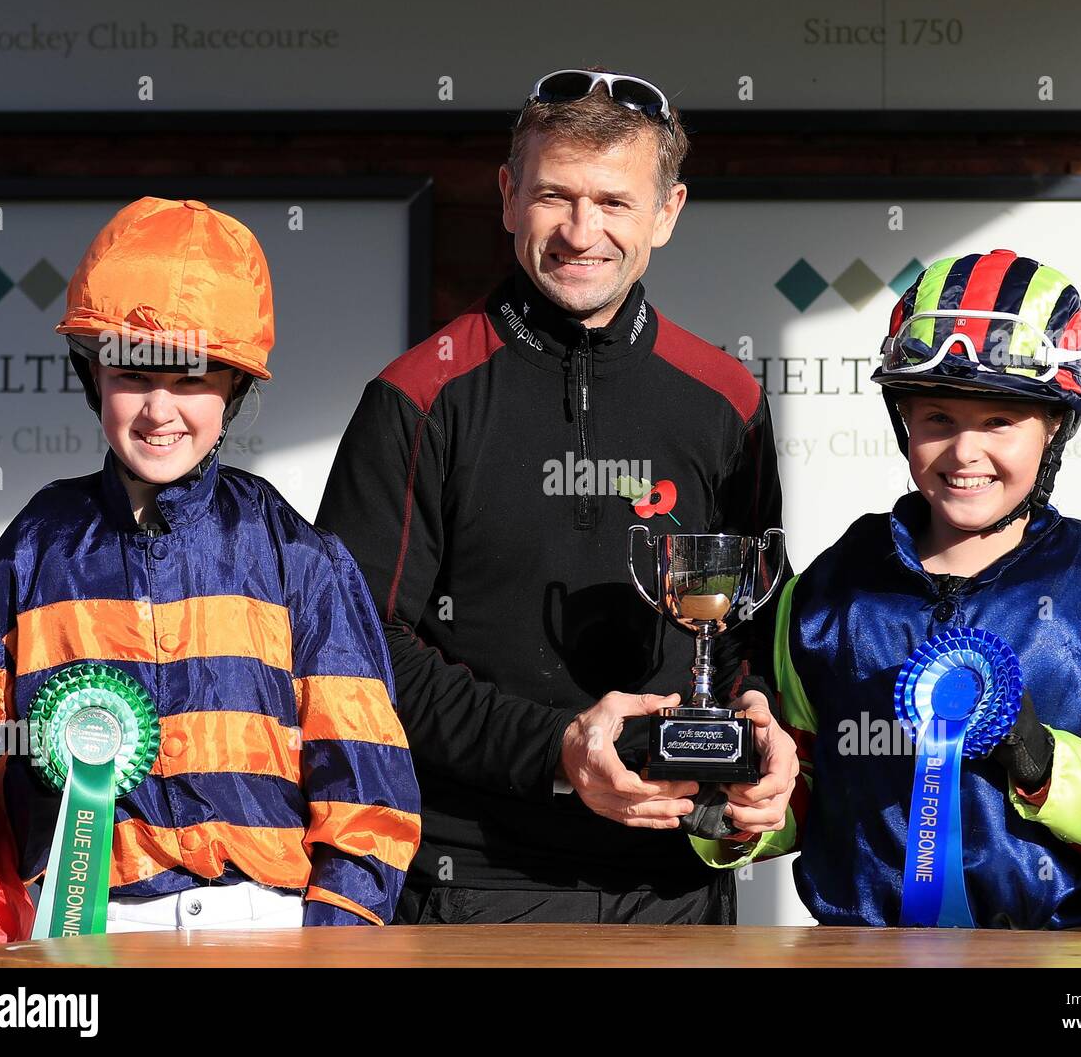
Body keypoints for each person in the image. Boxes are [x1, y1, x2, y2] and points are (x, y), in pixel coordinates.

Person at [317, 68, 798, 925]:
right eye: (554, 196)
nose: (583, 232)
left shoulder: (728, 401)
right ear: (507, 198)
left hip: (676, 884)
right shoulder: (416, 396)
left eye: (614, 202)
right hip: (473, 881)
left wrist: (761, 727)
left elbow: (752, 625)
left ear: (667, 211)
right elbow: (359, 653)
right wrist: (557, 749)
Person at [692, 249, 1081, 929]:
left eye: (999, 421)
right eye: (937, 417)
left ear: (1055, 423)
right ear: (903, 417)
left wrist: (1046, 766)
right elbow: (791, 796)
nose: (965, 452)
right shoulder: (829, 594)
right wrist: (728, 812)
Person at [0, 197, 420, 946]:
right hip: (78, 932)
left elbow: (364, 783)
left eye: (192, 378)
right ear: (91, 373)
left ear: (235, 386)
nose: (159, 409)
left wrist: (333, 945)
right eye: (133, 374)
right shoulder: (31, 550)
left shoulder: (300, 559)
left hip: (268, 930)